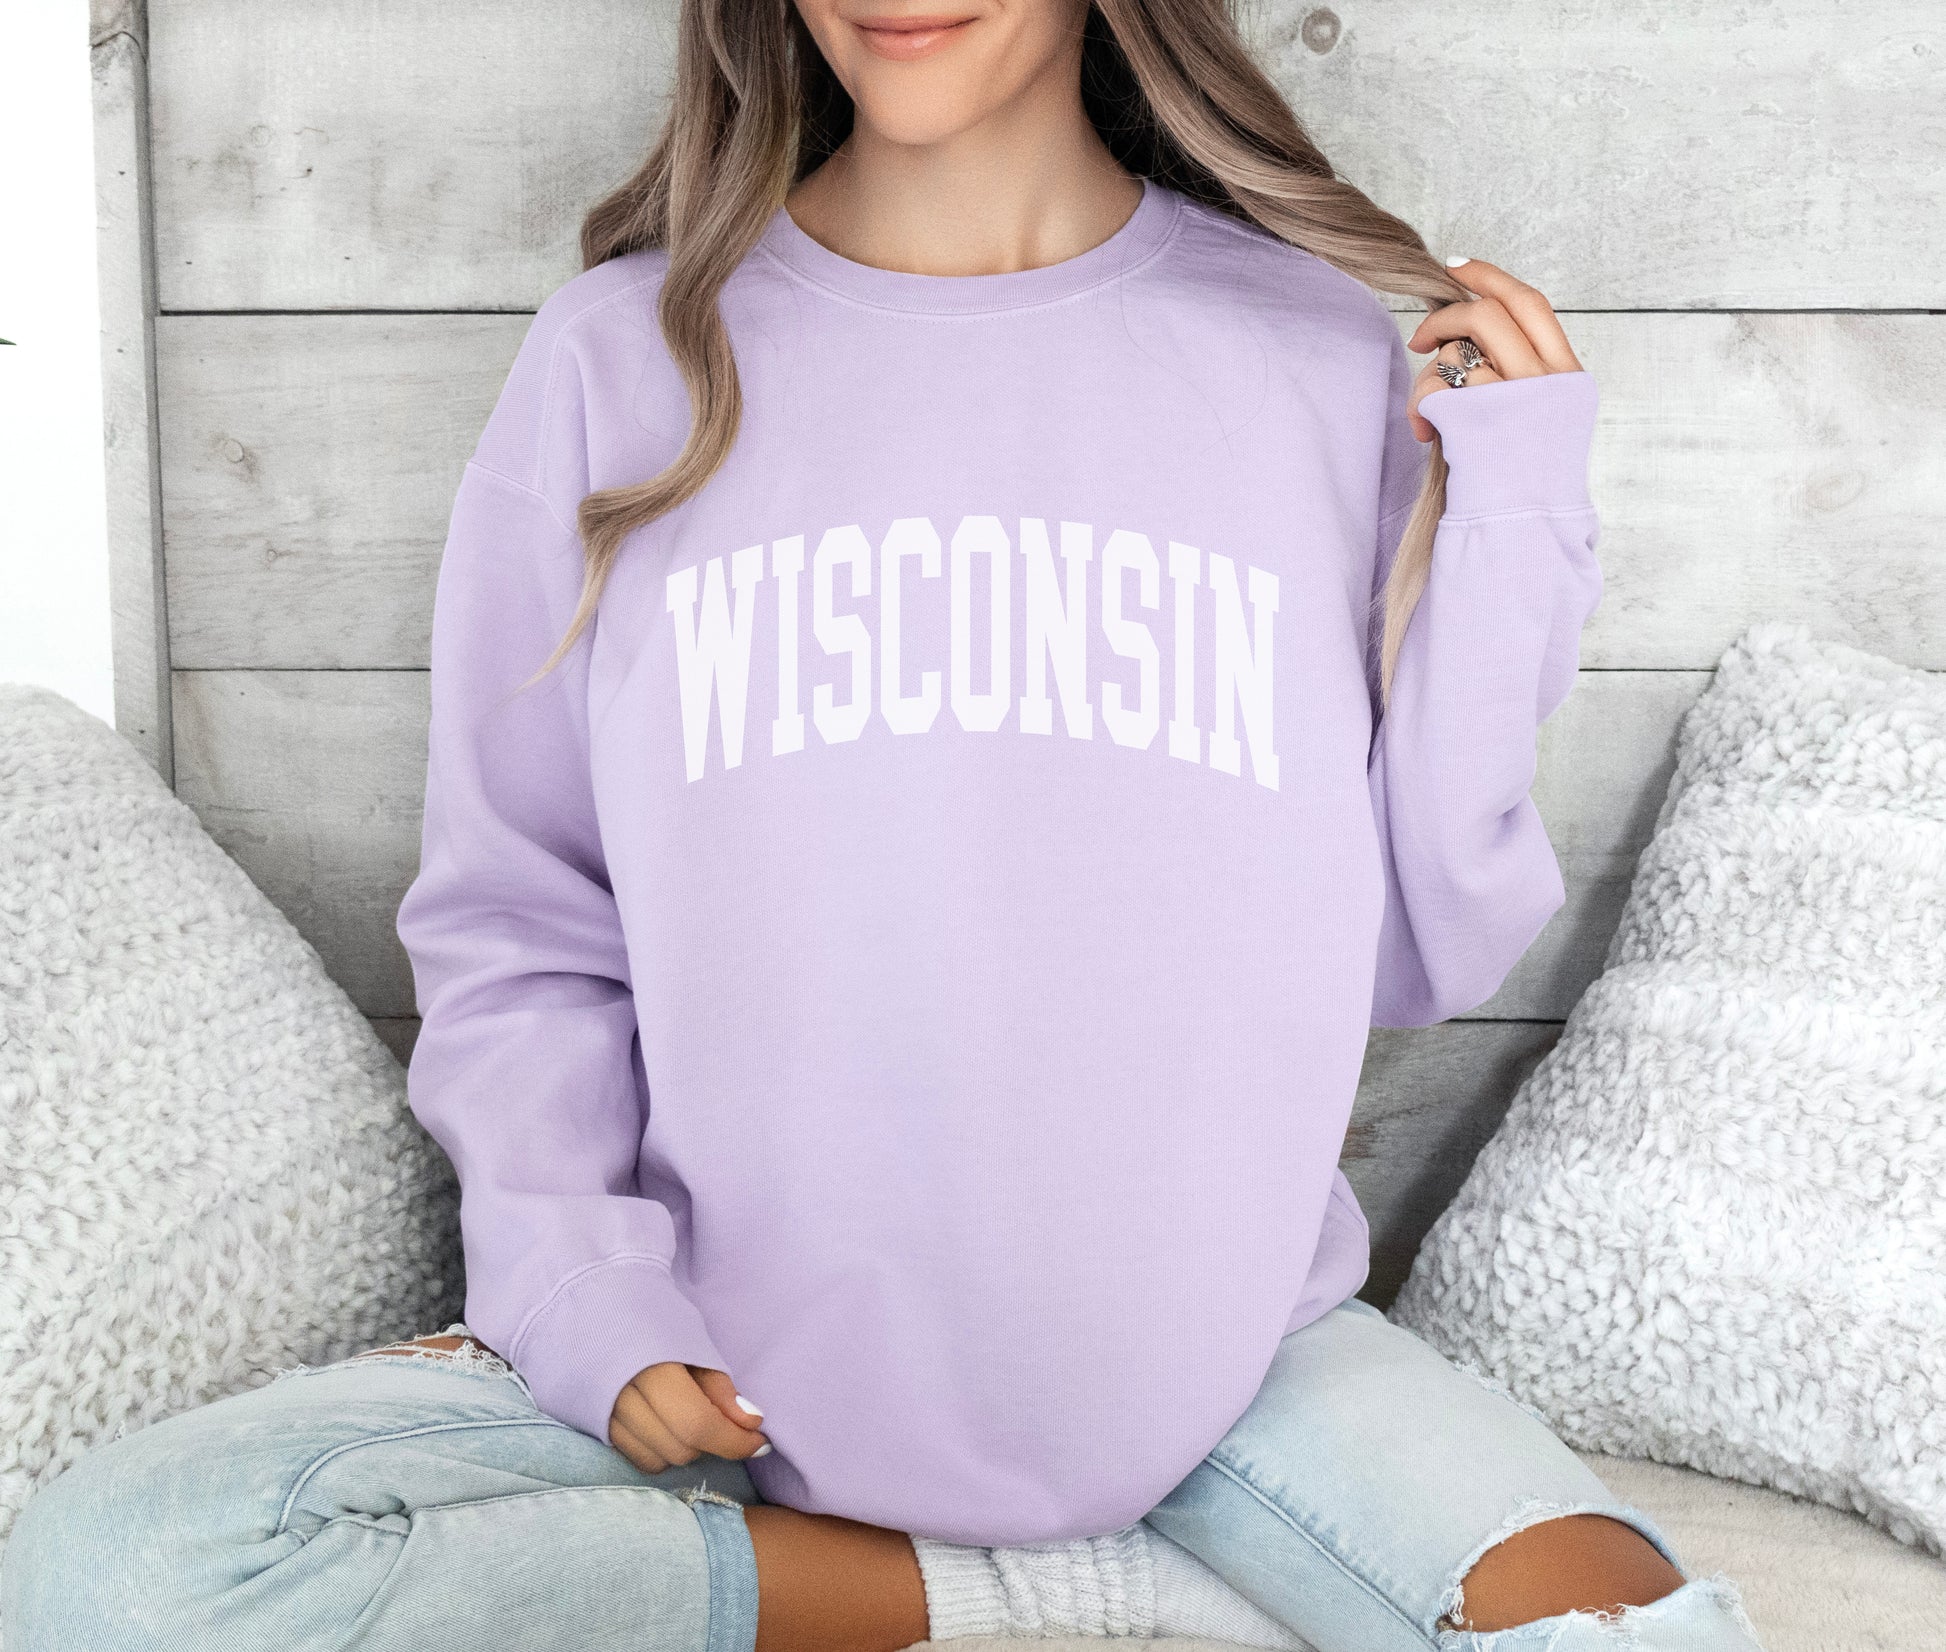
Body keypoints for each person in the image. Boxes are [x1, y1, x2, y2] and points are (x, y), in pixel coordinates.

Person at [0, 3, 1771, 1649]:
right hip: (724, 1377)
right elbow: (522, 917)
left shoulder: (1303, 352)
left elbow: (1414, 943)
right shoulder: (622, 361)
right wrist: (575, 1285)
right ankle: (992, 1595)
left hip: (1230, 1367)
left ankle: (1086, 1543)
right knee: (121, 1575)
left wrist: (1513, 525)